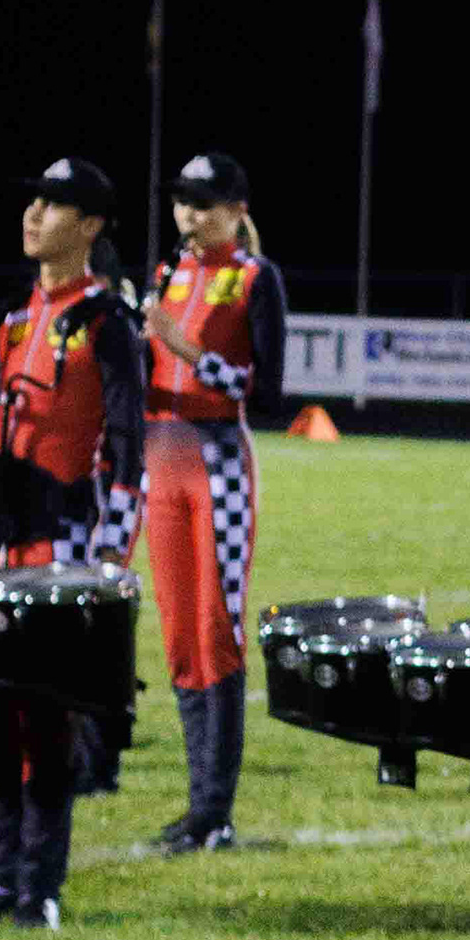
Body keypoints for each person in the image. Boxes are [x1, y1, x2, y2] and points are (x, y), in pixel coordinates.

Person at [0, 159, 144, 929]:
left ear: (90, 226)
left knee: (45, 721)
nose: (34, 214)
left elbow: (128, 450)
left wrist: (108, 560)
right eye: (33, 200)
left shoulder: (107, 322)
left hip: (59, 550)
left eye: (55, 205)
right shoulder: (8, 313)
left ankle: (41, 887)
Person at [142, 152, 287, 852]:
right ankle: (197, 805)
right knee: (177, 634)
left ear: (236, 210)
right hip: (160, 459)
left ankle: (214, 811)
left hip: (218, 462)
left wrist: (189, 352)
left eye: (202, 203)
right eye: (181, 202)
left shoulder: (256, 278)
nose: (188, 215)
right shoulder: (167, 273)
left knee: (215, 630)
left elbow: (269, 391)